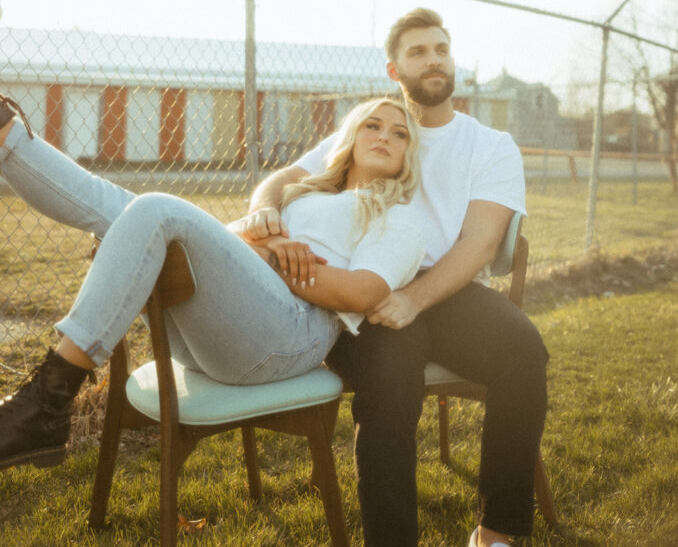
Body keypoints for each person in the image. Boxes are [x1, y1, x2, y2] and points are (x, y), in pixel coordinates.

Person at [246, 8, 549, 547]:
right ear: (394, 70)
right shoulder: (374, 125)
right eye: (417, 52)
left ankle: (497, 533)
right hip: (364, 284)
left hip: (442, 286)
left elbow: (478, 243)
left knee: (523, 349)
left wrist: (414, 297)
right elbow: (287, 178)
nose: (433, 59)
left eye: (440, 48)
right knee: (392, 371)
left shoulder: (490, 145)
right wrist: (265, 209)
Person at [0, 94, 425, 473]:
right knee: (127, 209)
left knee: (154, 210)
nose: (384, 135)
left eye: (399, 133)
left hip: (294, 335)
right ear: (350, 137)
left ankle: (49, 399)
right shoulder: (306, 194)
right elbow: (221, 245)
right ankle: (7, 134)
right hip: (216, 334)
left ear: (409, 156)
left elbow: (363, 292)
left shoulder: (400, 215)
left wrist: (274, 257)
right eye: (372, 125)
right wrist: (265, 241)